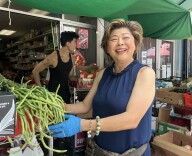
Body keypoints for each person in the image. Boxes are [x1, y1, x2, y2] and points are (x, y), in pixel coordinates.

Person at [48, 19, 155, 156]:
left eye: (126, 38)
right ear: (107, 47)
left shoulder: (144, 74)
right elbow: (85, 106)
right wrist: (53, 106)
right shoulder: (103, 74)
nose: (120, 42)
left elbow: (131, 119)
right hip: (99, 151)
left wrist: (83, 125)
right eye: (114, 39)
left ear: (135, 44)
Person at [32, 31, 79, 103]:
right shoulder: (53, 57)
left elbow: (69, 76)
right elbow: (35, 71)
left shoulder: (72, 58)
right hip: (52, 96)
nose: (76, 44)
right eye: (75, 42)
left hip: (66, 95)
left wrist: (78, 79)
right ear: (68, 43)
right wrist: (41, 90)